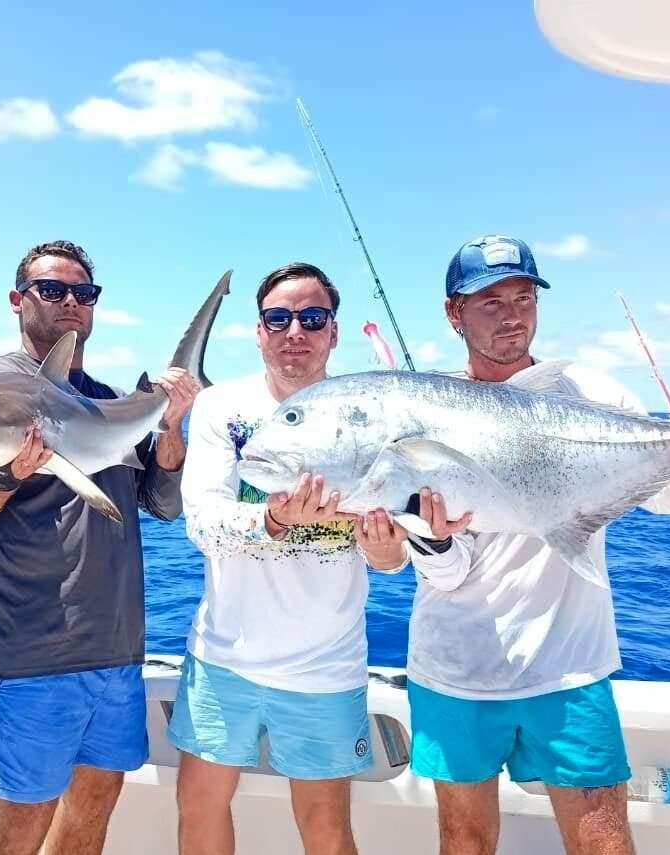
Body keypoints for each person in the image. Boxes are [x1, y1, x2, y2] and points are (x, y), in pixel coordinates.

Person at [406, 235, 670, 855]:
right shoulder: (425, 410)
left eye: (523, 297)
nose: (512, 314)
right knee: (464, 841)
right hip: (454, 665)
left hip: (570, 663)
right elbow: (446, 573)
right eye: (490, 301)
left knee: (603, 842)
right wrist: (428, 539)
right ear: (453, 313)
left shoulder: (588, 390)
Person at [0, 240, 200, 855]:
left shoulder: (103, 401)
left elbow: (161, 503)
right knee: (19, 831)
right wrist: (5, 473)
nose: (71, 302)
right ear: (18, 300)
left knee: (92, 814)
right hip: (27, 652)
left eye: (84, 293)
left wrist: (172, 425)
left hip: (116, 646)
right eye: (53, 290)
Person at [169, 262, 450, 855]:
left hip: (326, 666)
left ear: (333, 332)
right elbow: (202, 525)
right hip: (224, 659)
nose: (295, 330)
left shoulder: (372, 408)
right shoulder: (223, 408)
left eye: (312, 317)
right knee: (198, 807)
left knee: (325, 828)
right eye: (279, 317)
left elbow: (391, 554)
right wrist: (274, 520)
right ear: (259, 330)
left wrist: (386, 549)